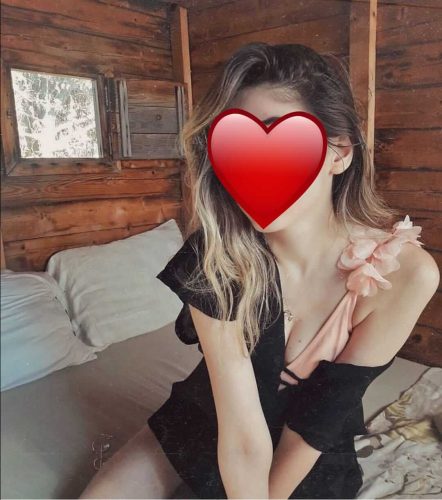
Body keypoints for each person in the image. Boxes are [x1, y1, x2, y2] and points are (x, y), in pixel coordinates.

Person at [78, 43, 439, 499]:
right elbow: (240, 432)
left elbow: (320, 420)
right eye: (237, 147)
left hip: (306, 451)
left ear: (340, 153)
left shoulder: (404, 272)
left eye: (281, 142)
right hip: (209, 420)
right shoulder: (215, 254)